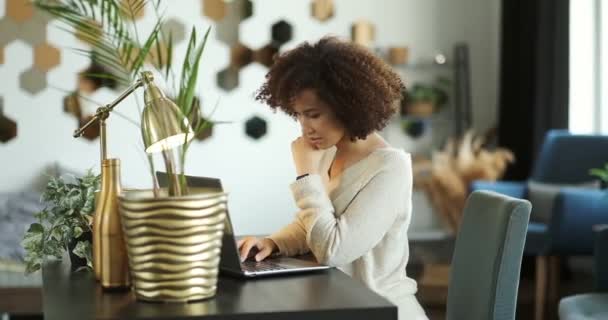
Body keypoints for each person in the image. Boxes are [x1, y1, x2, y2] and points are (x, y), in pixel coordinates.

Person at [238, 36, 428, 320]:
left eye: (313, 115)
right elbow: (314, 227)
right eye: (299, 116)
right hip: (337, 305)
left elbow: (333, 250)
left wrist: (305, 175)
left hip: (381, 309)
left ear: (347, 105)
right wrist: (274, 243)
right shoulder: (328, 153)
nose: (305, 128)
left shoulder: (391, 168)